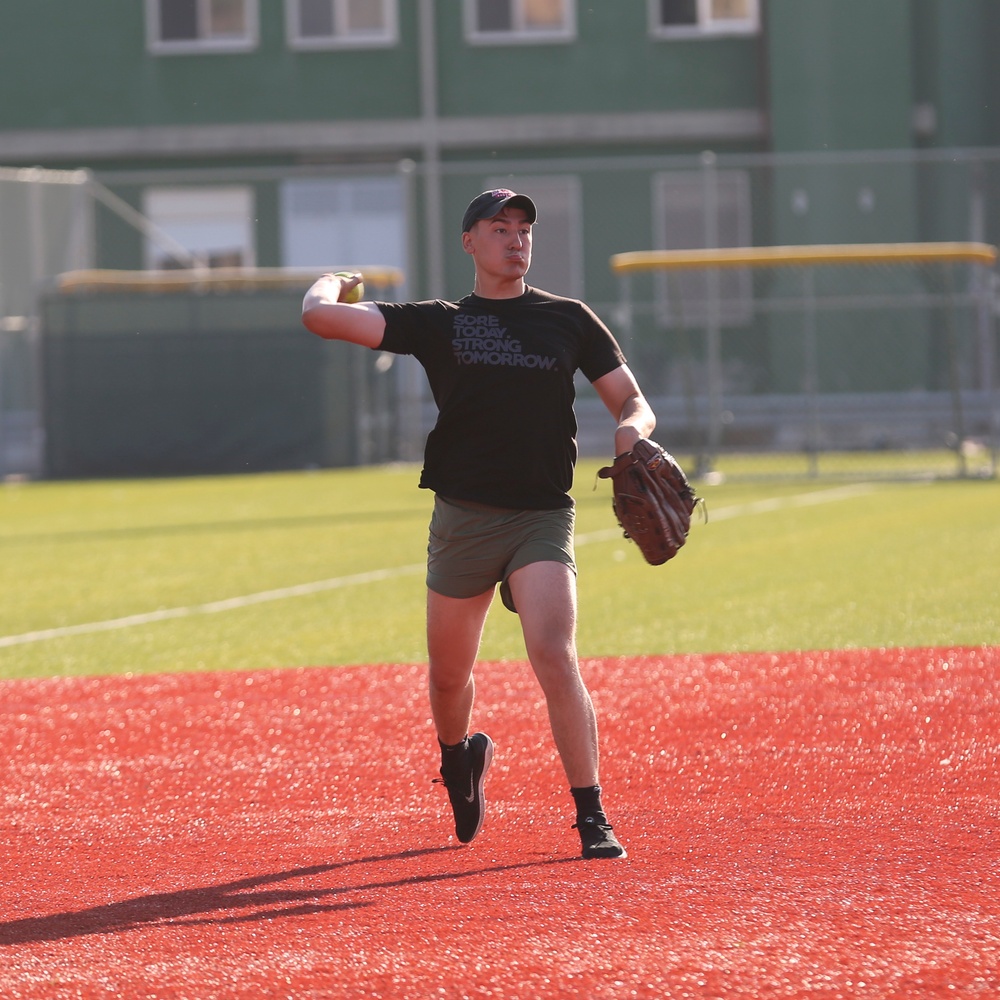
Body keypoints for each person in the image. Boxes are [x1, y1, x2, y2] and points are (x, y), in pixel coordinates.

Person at [301, 188, 656, 859]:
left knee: (553, 651)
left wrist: (632, 433)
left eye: (524, 228)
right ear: (470, 242)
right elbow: (319, 318)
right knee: (447, 676)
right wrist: (336, 282)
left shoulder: (567, 319)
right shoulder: (440, 323)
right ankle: (459, 760)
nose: (515, 238)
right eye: (500, 227)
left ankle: (592, 816)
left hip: (542, 517)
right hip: (464, 519)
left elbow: (631, 399)